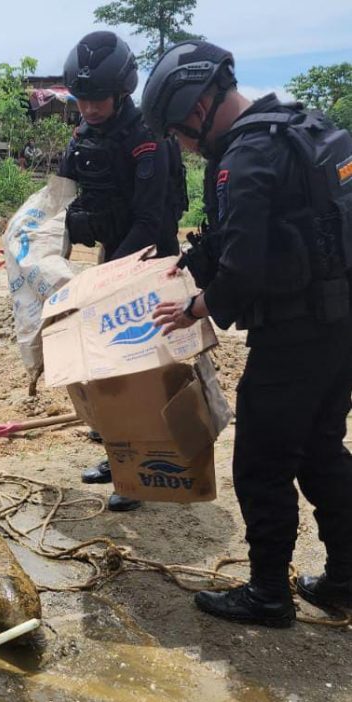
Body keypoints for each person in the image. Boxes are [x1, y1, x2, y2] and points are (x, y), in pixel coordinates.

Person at [144, 40, 352, 627]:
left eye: (181, 132)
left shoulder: (246, 156)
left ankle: (267, 594)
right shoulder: (295, 130)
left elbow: (243, 272)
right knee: (318, 450)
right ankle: (344, 580)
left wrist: (194, 309)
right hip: (339, 327)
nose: (183, 145)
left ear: (200, 104)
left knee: (261, 461)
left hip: (295, 335)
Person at [59, 31, 187, 512]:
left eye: (97, 99)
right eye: (82, 99)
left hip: (150, 265)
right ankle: (119, 459)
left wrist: (110, 275)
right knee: (108, 371)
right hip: (110, 262)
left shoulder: (147, 138)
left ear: (122, 91)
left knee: (144, 374)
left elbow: (152, 223)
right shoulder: (87, 135)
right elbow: (66, 197)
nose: (88, 108)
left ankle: (143, 474)